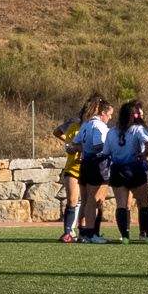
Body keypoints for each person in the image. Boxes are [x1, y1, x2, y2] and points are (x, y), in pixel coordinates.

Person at [104, 100, 148, 243]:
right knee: (144, 202)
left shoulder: (112, 132)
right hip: (134, 168)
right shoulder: (137, 129)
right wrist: (144, 155)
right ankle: (147, 235)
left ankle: (125, 236)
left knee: (121, 204)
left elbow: (106, 152)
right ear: (133, 115)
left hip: (117, 169)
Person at [54, 96, 98, 242]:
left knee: (87, 201)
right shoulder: (74, 126)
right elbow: (69, 146)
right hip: (73, 168)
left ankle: (83, 232)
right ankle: (67, 232)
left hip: (88, 168)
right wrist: (70, 145)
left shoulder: (96, 127)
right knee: (72, 199)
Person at [71, 97, 114, 243]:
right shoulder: (99, 126)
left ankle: (83, 232)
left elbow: (75, 144)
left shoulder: (85, 125)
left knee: (86, 200)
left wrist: (84, 148)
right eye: (109, 114)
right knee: (94, 201)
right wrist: (112, 148)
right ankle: (91, 234)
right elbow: (98, 145)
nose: (110, 117)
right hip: (98, 165)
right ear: (102, 113)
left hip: (85, 164)